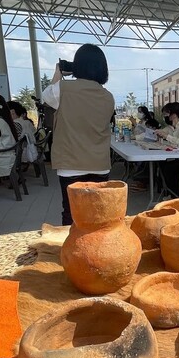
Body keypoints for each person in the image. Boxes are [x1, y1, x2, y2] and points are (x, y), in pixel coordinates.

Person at [41, 43, 114, 225]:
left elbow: (46, 97)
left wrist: (59, 71)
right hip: (99, 164)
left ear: (77, 65)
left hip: (71, 164)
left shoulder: (63, 90)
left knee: (72, 213)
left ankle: (73, 250)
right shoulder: (108, 96)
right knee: (97, 212)